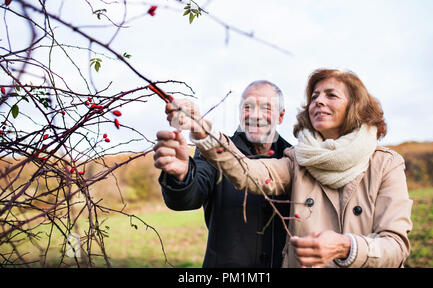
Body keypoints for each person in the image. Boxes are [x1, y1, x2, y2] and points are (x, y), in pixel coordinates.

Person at [165, 69, 413, 268]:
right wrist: (201, 134)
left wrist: (347, 246)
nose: (318, 101)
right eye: (314, 96)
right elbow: (249, 173)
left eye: (331, 95)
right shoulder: (298, 160)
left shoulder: (385, 164)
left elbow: (396, 246)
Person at [153, 81, 292, 267]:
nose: (255, 115)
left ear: (281, 116)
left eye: (266, 108)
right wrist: (181, 175)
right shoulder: (212, 152)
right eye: (247, 107)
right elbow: (188, 198)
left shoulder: (293, 160)